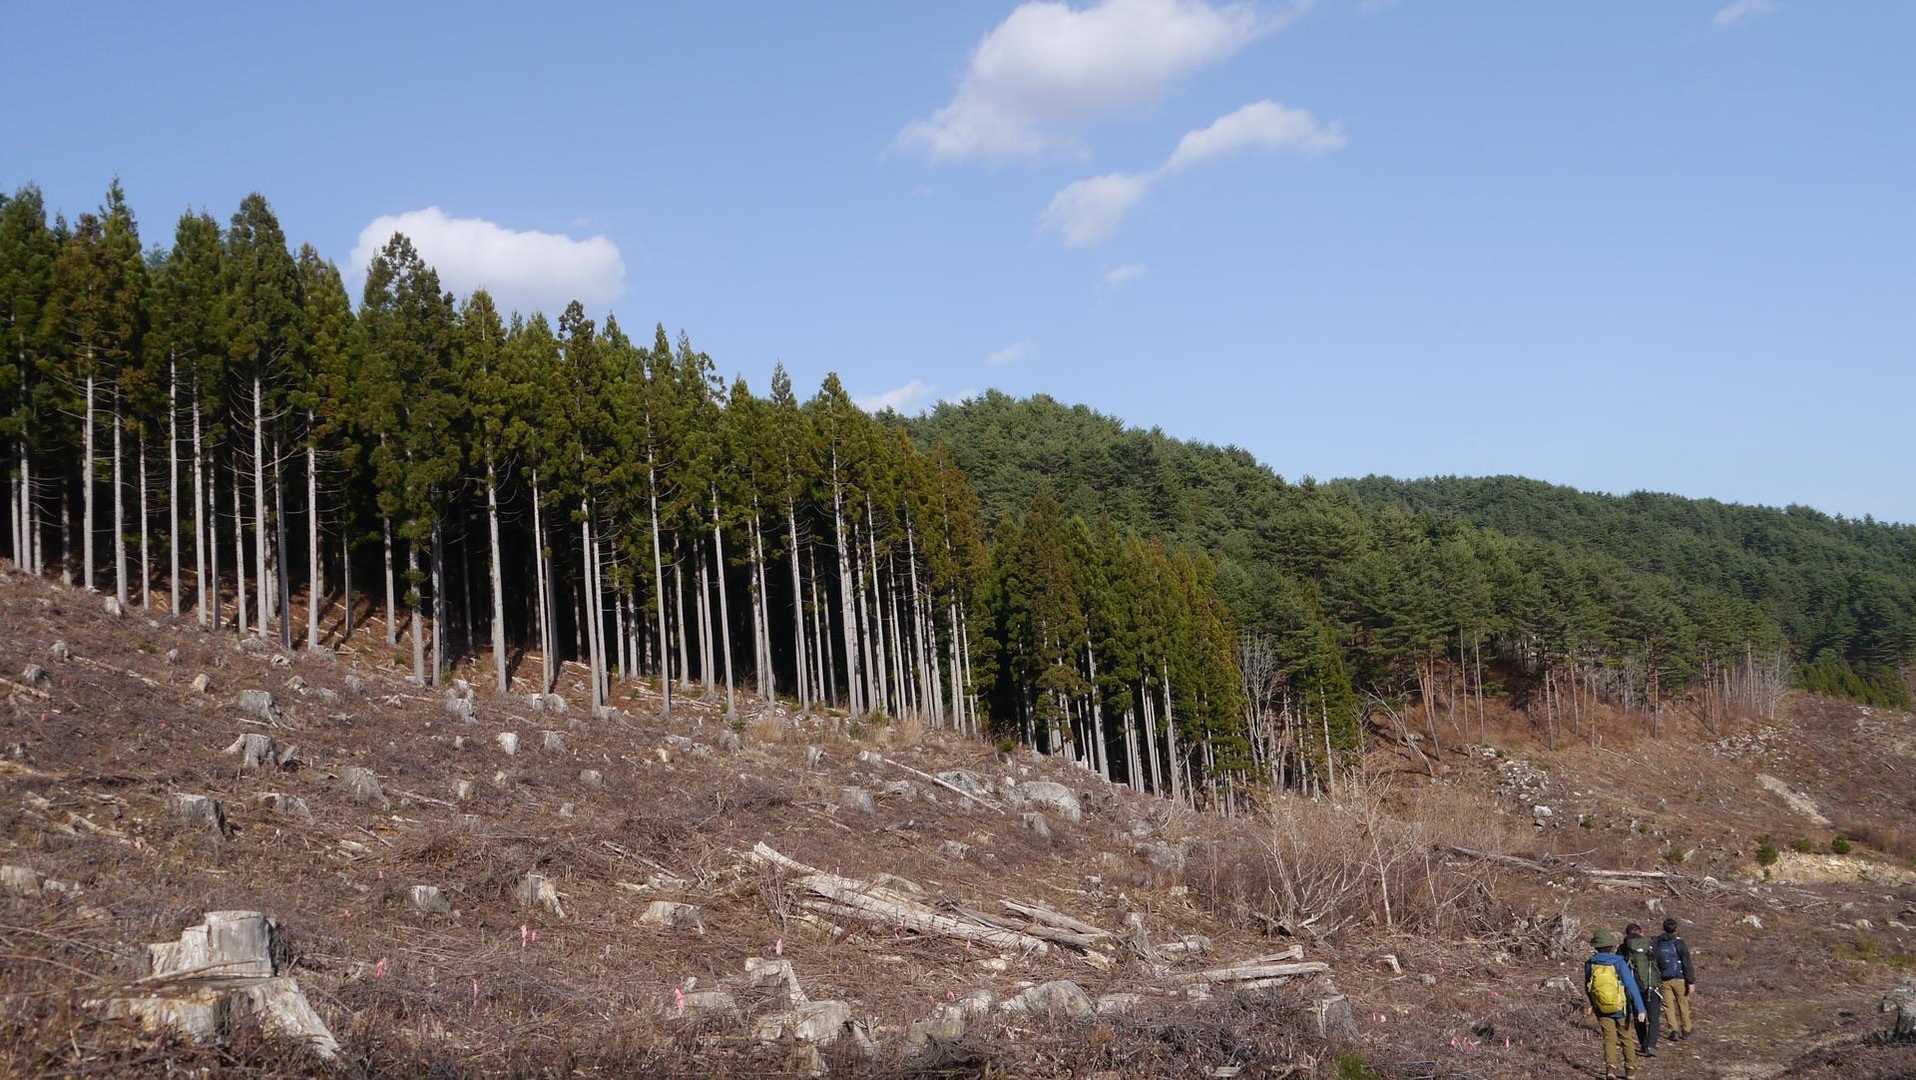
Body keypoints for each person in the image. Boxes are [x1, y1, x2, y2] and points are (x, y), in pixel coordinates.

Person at [1585, 929, 1648, 1079]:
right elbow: (1631, 985)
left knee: (1609, 1039)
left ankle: (1611, 1069)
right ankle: (1630, 1070)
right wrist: (1640, 1008)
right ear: (1611, 946)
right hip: (1621, 1008)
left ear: (1596, 947)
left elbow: (1588, 986)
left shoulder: (1590, 963)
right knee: (1626, 1038)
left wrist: (1593, 1004)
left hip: (1601, 1008)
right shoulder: (1619, 962)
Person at [1622, 923, 1664, 1057]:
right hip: (1652, 986)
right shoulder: (1650, 945)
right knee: (1654, 1018)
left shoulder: (1623, 947)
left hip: (1633, 987)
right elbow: (1661, 963)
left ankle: (1643, 1044)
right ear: (1640, 932)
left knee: (1639, 1017)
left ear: (1627, 933)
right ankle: (1651, 1045)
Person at [1654, 916, 1697, 1039]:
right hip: (1679, 978)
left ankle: (1673, 1030)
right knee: (1683, 1004)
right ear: (1676, 929)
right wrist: (1691, 981)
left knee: (1668, 1006)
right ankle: (1687, 1029)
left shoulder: (1657, 942)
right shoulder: (1679, 943)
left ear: (1663, 928)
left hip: (1664, 979)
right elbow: (1686, 962)